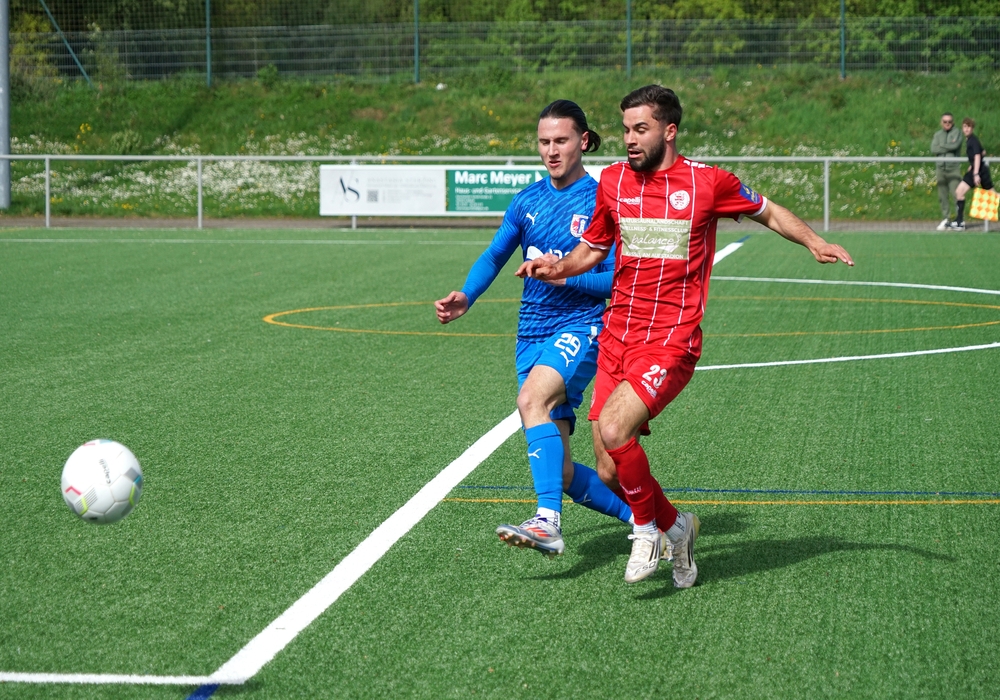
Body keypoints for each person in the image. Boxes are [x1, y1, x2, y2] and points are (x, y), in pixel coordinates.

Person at [518, 85, 854, 587]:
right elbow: (592, 249)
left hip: (671, 338)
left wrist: (814, 241)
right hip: (617, 335)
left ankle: (647, 530)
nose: (630, 139)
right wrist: (558, 265)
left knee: (615, 430)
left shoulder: (707, 183)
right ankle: (679, 527)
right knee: (608, 469)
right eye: (627, 129)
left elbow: (767, 210)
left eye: (641, 129)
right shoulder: (612, 182)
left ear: (669, 131)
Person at [435, 100, 633, 557]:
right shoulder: (526, 200)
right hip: (530, 335)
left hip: (582, 326)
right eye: (544, 142)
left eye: (561, 140)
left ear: (583, 142)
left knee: (531, 400)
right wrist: (467, 294)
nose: (551, 150)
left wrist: (563, 273)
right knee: (561, 473)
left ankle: (546, 523)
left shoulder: (603, 200)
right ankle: (651, 522)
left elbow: (619, 277)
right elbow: (493, 256)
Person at [951, 117, 995, 231]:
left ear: (972, 128)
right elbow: (982, 152)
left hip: (979, 172)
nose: (967, 129)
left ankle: (960, 223)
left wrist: (975, 173)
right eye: (965, 126)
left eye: (969, 127)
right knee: (993, 195)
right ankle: (959, 221)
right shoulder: (971, 140)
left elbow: (977, 155)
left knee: (959, 192)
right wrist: (973, 165)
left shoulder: (973, 140)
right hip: (979, 169)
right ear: (962, 128)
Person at [931, 113, 964, 230]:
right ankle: (946, 218)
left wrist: (942, 146)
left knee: (957, 194)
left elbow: (955, 146)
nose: (947, 124)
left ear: (952, 122)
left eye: (949, 121)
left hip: (953, 168)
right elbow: (933, 148)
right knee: (942, 195)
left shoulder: (957, 132)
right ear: (941, 123)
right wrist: (947, 146)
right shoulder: (937, 134)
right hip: (940, 168)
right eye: (945, 122)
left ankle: (959, 220)